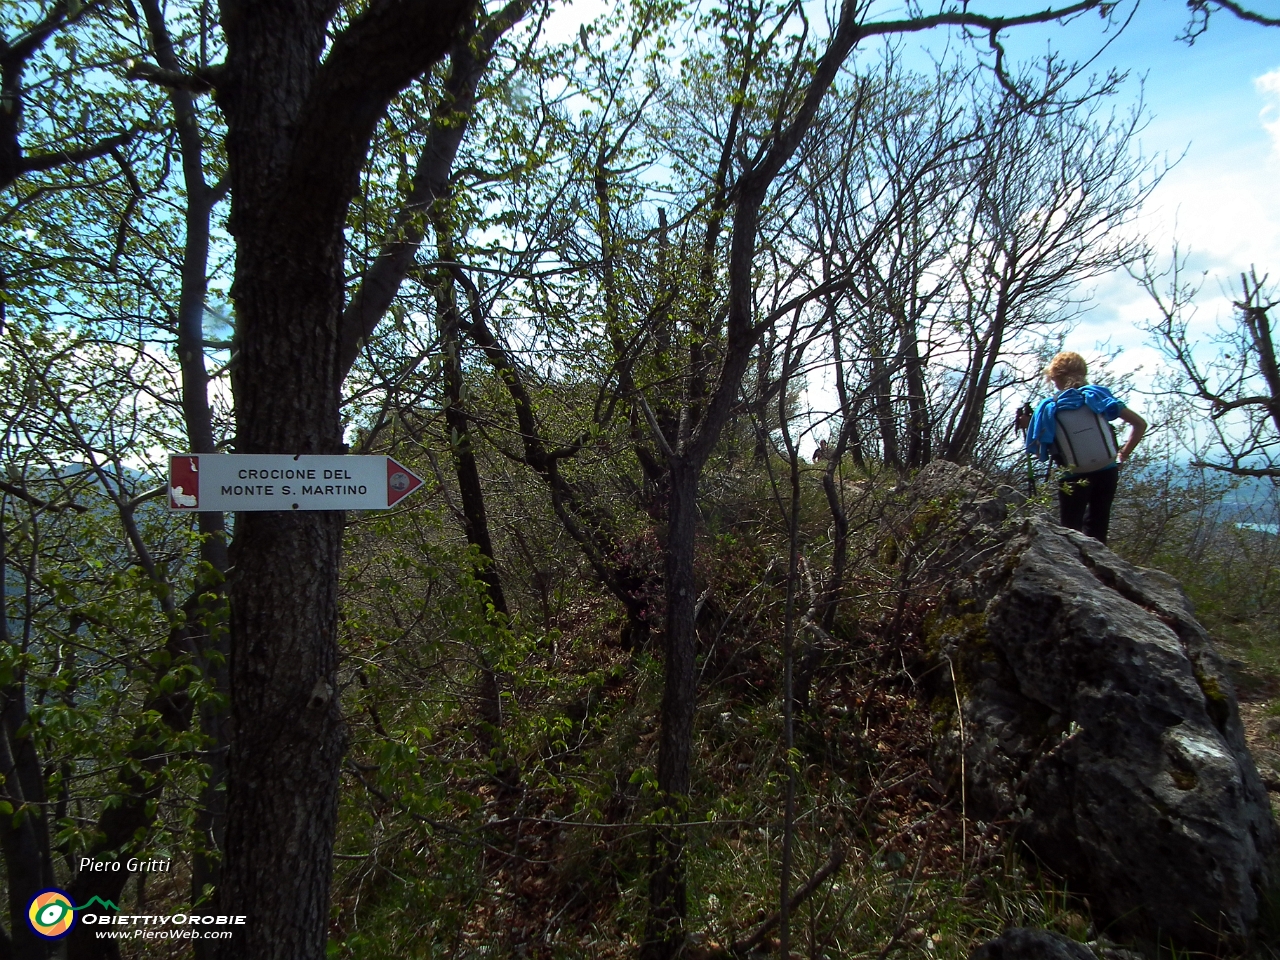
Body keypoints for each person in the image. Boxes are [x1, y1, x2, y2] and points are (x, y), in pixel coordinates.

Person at [1024, 351, 1147, 544]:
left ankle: (1075, 571)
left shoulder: (1048, 408)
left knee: (1071, 532)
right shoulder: (1097, 396)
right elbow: (1140, 424)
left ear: (1055, 377)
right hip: (1107, 470)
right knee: (1098, 528)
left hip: (1073, 476)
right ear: (1083, 372)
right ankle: (1099, 571)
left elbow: (1037, 445)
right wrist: (1122, 455)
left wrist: (1027, 424)